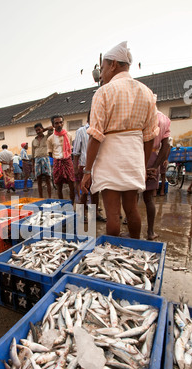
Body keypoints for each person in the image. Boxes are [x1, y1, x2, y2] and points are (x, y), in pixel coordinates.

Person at [81, 41, 159, 239]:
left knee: (113, 214)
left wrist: (87, 171)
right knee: (132, 208)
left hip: (110, 156)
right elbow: (149, 136)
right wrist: (141, 165)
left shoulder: (104, 92)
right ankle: (135, 248)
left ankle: (113, 252)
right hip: (133, 154)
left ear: (113, 64)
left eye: (104, 67)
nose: (103, 73)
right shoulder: (147, 92)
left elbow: (96, 136)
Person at [73, 112, 106, 222]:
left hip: (98, 165)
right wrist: (76, 168)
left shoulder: (101, 130)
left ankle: (95, 214)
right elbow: (76, 151)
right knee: (84, 191)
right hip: (85, 165)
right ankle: (81, 215)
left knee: (96, 191)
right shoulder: (81, 131)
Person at [143, 111, 171, 240]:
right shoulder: (164, 119)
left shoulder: (143, 115)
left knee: (130, 197)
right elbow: (166, 146)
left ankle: (132, 229)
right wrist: (155, 166)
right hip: (154, 158)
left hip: (137, 156)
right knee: (149, 199)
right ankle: (150, 232)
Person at [47, 115, 75, 204]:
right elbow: (50, 153)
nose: (59, 124)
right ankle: (62, 205)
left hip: (68, 161)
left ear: (63, 123)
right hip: (57, 162)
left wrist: (65, 157)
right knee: (59, 186)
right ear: (53, 125)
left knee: (72, 185)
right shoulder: (50, 138)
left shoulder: (69, 135)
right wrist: (58, 158)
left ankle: (72, 205)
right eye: (56, 123)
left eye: (60, 122)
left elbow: (70, 149)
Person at [32, 123, 52, 199]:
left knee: (48, 178)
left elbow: (51, 128)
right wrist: (33, 167)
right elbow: (33, 154)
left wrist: (44, 130)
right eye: (36, 130)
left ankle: (49, 197)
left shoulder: (47, 137)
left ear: (42, 129)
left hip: (45, 158)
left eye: (39, 129)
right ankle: (41, 197)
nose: (38, 131)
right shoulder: (34, 140)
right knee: (39, 180)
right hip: (37, 160)